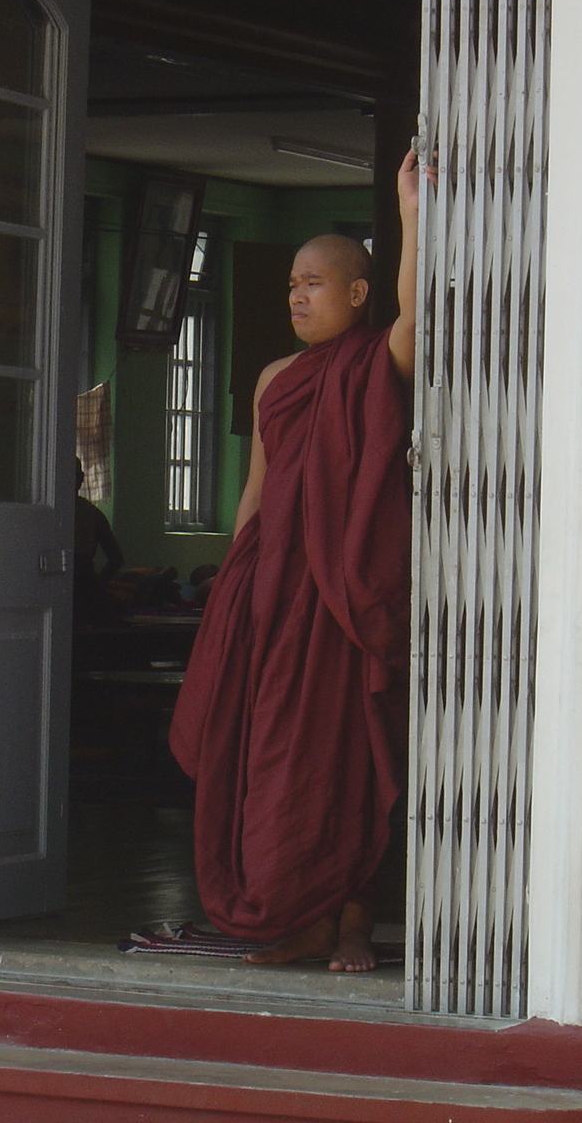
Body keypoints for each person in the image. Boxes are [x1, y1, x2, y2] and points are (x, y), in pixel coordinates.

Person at [168, 151, 427, 973]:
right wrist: (229, 590)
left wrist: (412, 218)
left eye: (314, 281)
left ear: (357, 294)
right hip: (271, 595)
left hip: (342, 595)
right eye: (290, 283)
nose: (297, 295)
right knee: (267, 759)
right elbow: (258, 489)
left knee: (344, 762)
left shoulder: (374, 362)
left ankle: (349, 922)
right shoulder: (276, 378)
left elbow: (416, 325)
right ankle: (292, 917)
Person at [74, 459, 124, 627]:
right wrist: (97, 586)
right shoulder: (93, 513)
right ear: (80, 478)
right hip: (84, 584)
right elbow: (116, 559)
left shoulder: (43, 512)